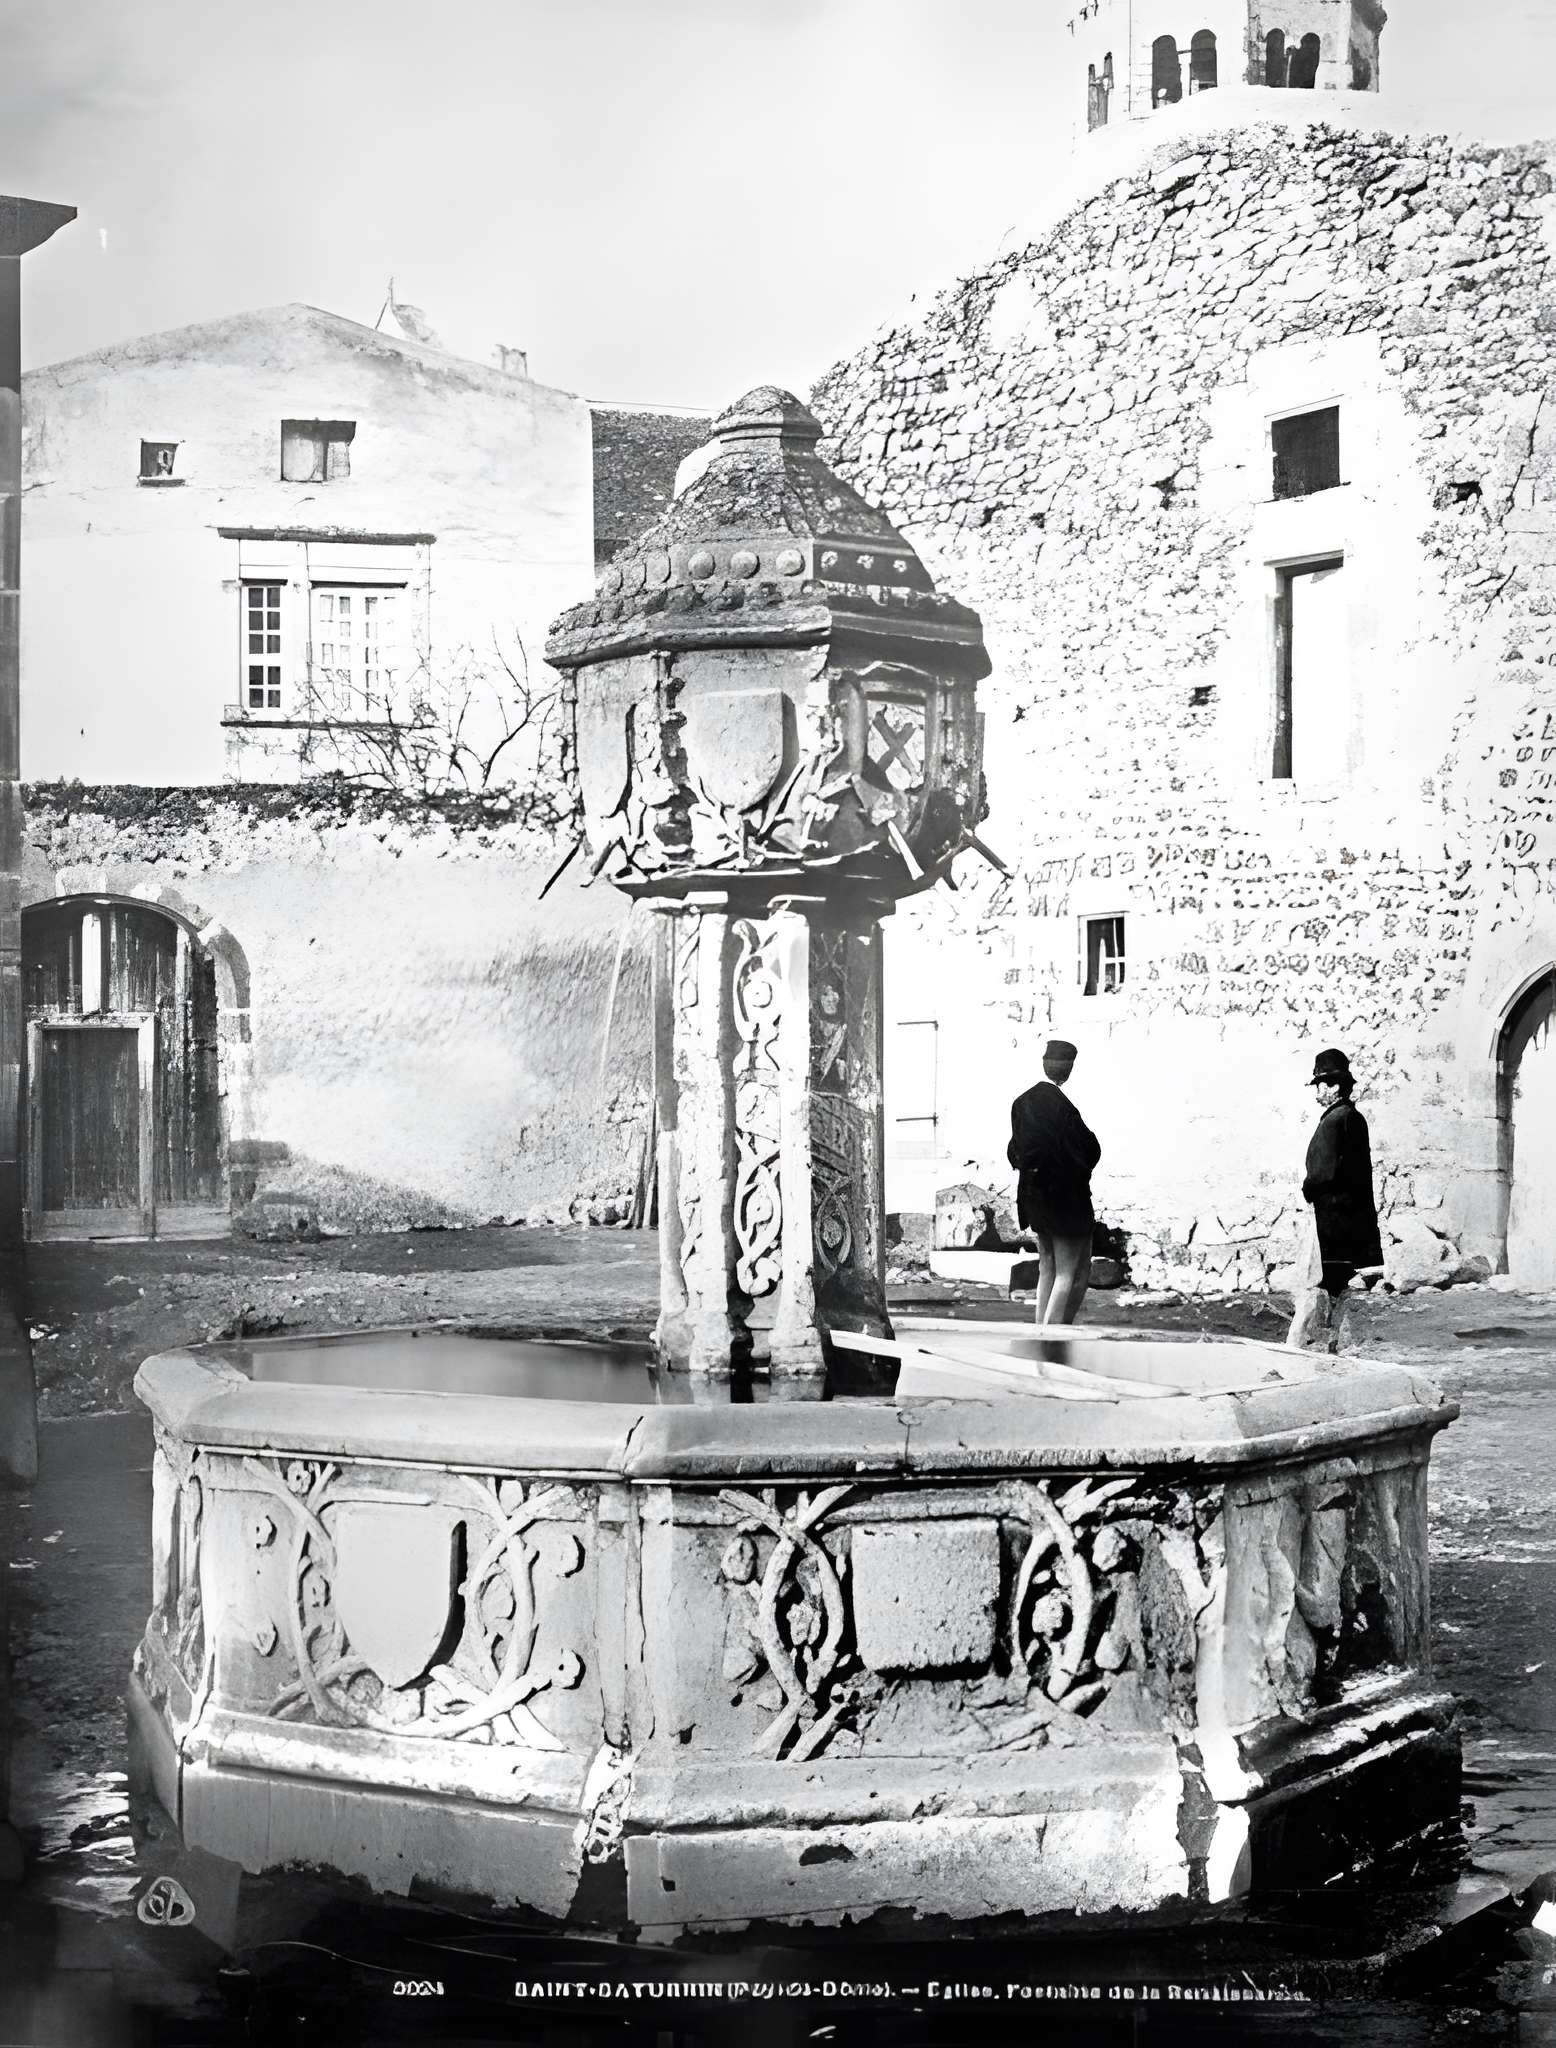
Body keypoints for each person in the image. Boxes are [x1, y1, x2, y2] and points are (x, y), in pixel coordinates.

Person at [1288, 1046, 1384, 1351]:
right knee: (1343, 1287)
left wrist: (1308, 1188)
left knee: (1330, 1286)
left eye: (1321, 1086)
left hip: (1334, 1220)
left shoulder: (1334, 1121)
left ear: (1335, 1086)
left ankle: (1320, 1345)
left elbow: (1323, 1173)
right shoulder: (1352, 1118)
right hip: (1351, 1219)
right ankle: (1337, 1344)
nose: (1318, 1093)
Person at [1007, 1038, 1101, 1326]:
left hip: (1034, 1197)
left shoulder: (1021, 1103)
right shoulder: (1064, 1107)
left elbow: (1014, 1152)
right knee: (1070, 1273)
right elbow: (1087, 1150)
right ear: (1068, 1067)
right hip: (1066, 1200)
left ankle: (1040, 1334)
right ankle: (1052, 1341)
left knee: (1047, 1267)